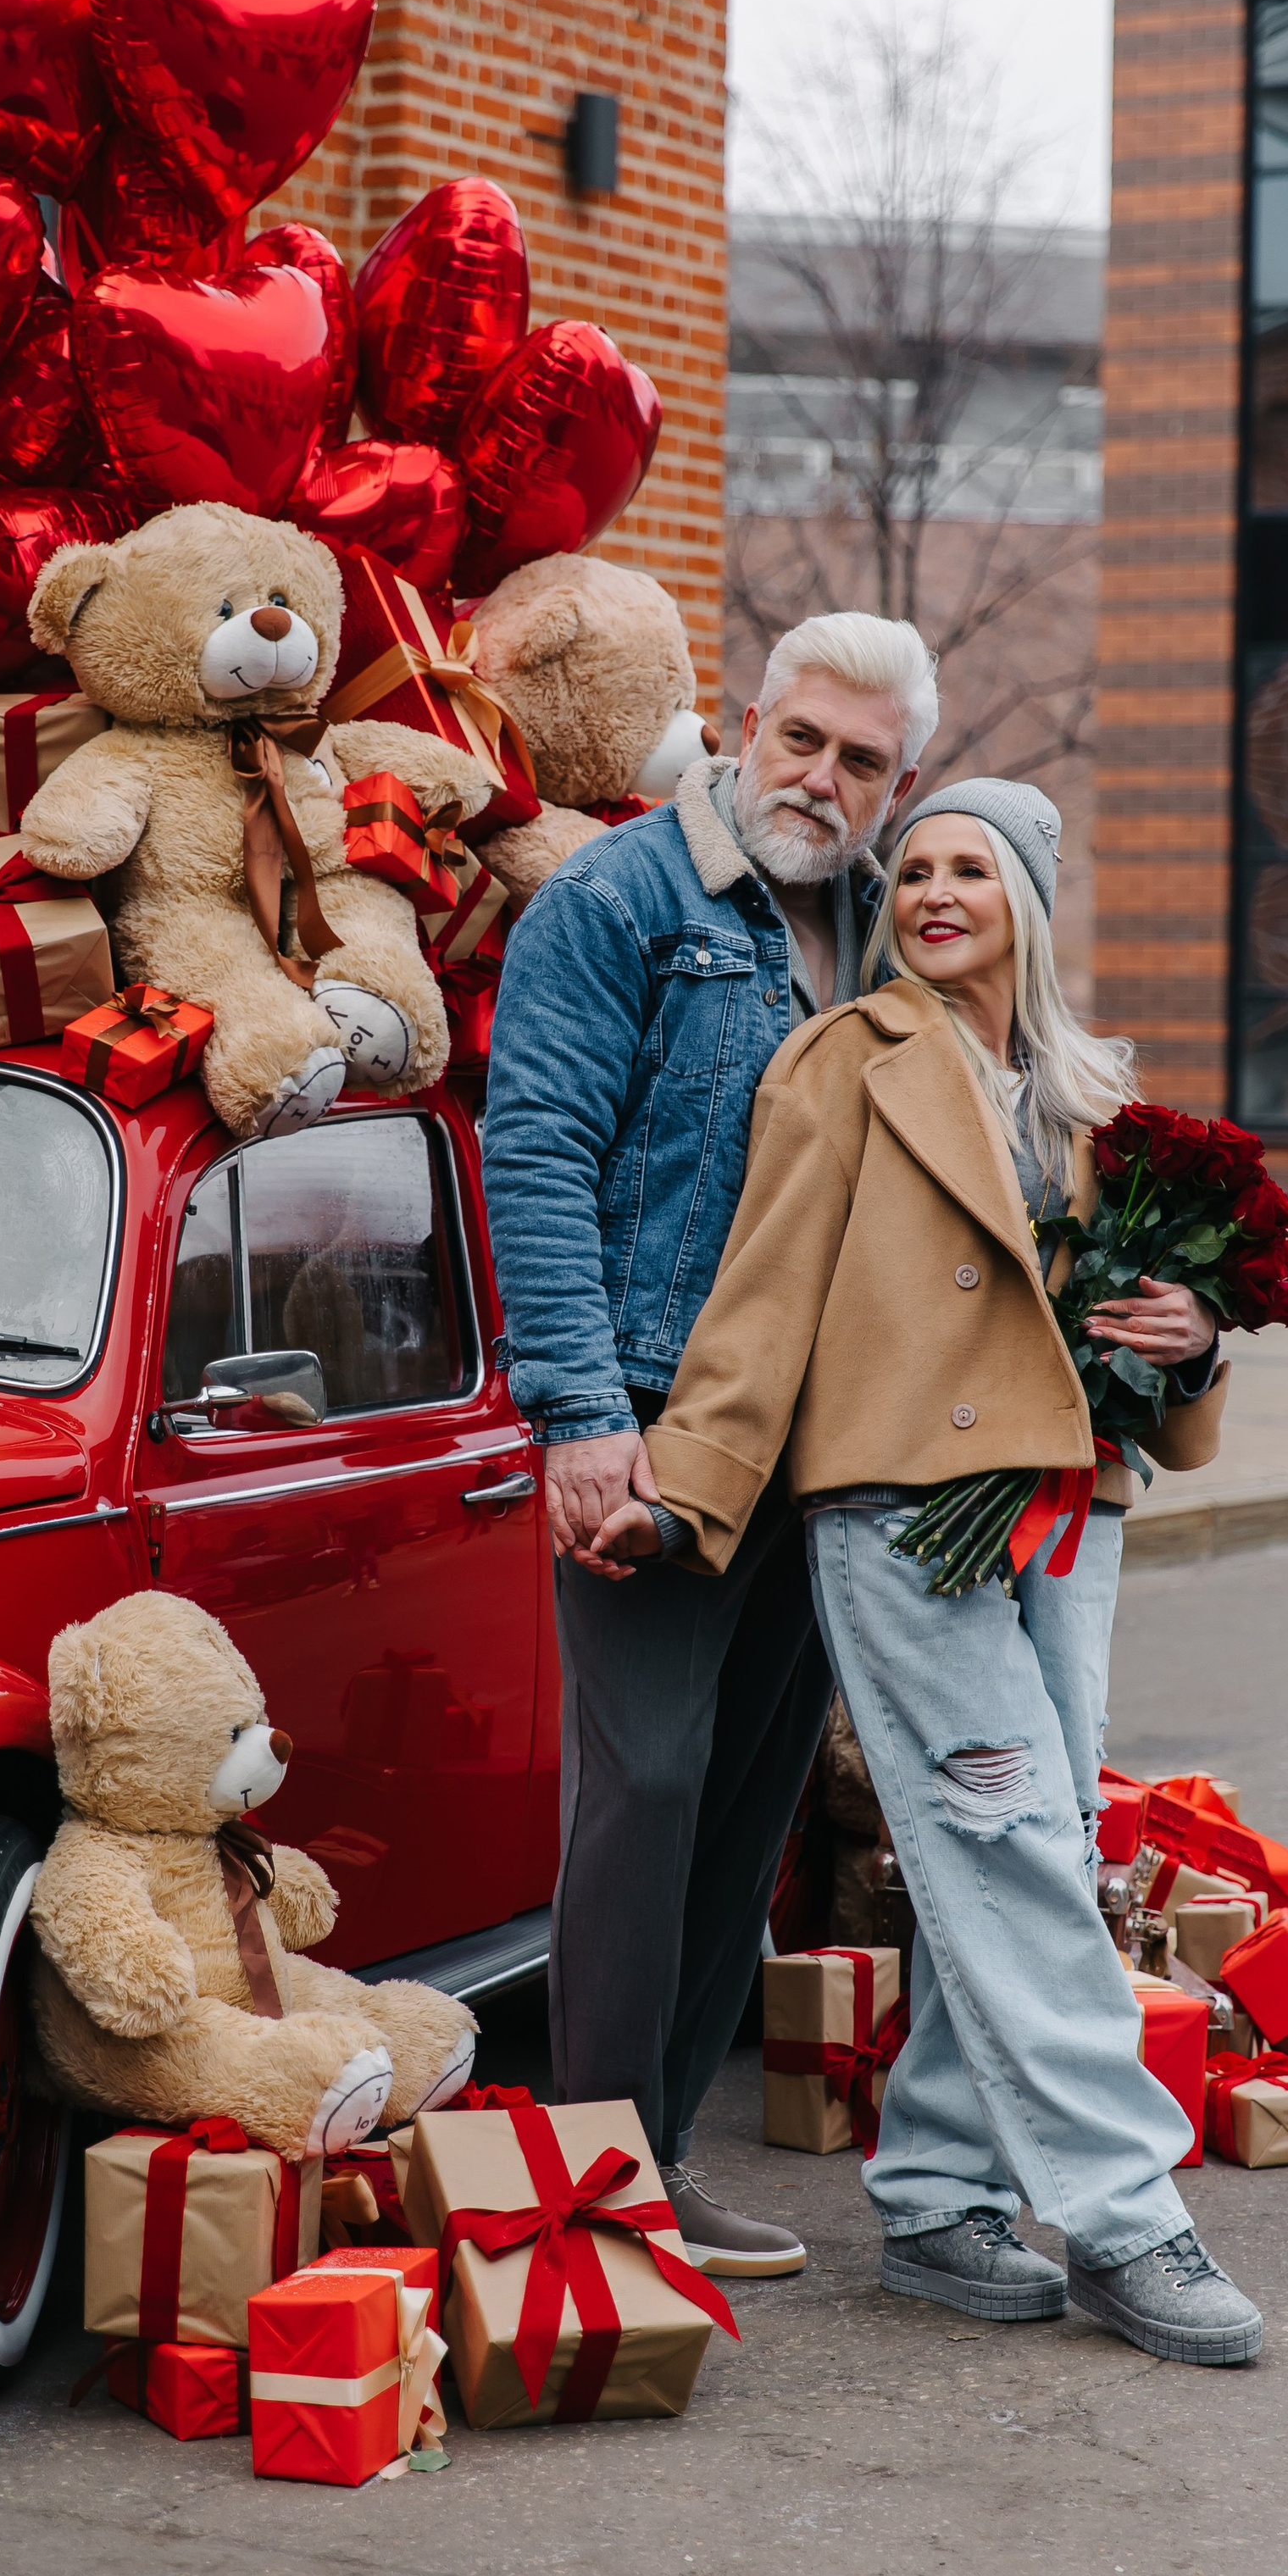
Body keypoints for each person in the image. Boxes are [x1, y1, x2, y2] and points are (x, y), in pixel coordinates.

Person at [582, 779, 1264, 2364]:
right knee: (1004, 1828)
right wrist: (685, 1485)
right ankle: (1126, 2212)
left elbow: (1163, 1350)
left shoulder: (1093, 1094)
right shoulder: (843, 1059)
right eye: (919, 870)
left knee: (1036, 1832)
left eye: (977, 868)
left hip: (1074, 1501)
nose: (937, 892)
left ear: (1032, 898)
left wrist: (1197, 1341)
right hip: (903, 1507)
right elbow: (765, 1297)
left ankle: (940, 2194)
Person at [483, 610, 940, 2277]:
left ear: (902, 783)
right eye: (800, 739)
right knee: (649, 1781)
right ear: (745, 723)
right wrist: (583, 1421)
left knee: (747, 1801)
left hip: (833, 1446)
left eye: (860, 761)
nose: (820, 780)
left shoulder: (898, 933)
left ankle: (656, 2157)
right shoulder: (616, 904)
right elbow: (533, 1153)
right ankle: (592, 2180)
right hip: (663, 1424)